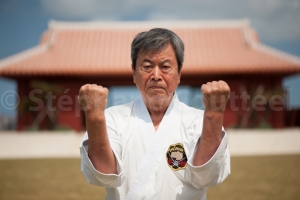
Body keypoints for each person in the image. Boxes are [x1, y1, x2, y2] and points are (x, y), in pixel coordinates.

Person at [78, 28, 231, 200]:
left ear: (179, 74)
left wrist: (215, 114)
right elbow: (102, 175)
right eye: (147, 66)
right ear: (134, 73)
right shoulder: (112, 118)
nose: (156, 75)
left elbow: (207, 177)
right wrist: (94, 115)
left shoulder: (198, 121)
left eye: (165, 67)